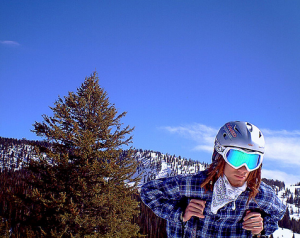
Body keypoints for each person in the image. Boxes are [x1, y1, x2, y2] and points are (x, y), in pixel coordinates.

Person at [140, 121, 286, 238]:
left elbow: (278, 213)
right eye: (237, 158)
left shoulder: (260, 195)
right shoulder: (192, 185)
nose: (244, 169)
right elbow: (148, 191)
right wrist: (180, 213)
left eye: (252, 161)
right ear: (219, 155)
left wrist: (262, 227)